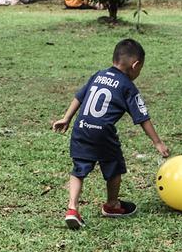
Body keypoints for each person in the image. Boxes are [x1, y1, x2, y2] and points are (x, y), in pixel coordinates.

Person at [51, 38, 170, 230]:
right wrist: (157, 142)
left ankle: (72, 208)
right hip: (103, 133)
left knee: (79, 170)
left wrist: (66, 118)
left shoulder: (98, 75)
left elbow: (79, 97)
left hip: (81, 128)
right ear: (135, 65)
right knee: (115, 168)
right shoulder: (128, 86)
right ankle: (112, 205)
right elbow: (142, 117)